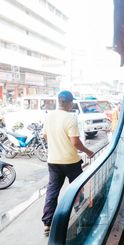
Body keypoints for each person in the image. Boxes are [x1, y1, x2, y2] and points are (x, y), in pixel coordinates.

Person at [41, 90, 94, 236]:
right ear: (70, 103)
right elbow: (75, 142)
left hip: (53, 161)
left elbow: (45, 135)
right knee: (78, 189)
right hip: (70, 161)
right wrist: (88, 152)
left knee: (52, 191)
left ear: (59, 101)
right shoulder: (70, 118)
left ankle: (47, 223)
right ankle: (82, 216)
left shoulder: (49, 116)